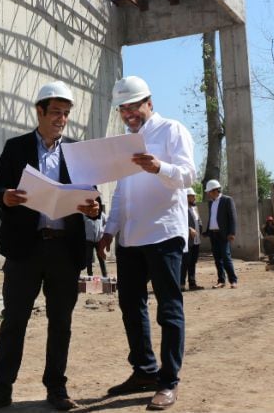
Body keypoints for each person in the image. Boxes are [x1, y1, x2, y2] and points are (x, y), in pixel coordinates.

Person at [0, 81, 100, 413]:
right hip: (25, 250)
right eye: (56, 112)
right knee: (14, 320)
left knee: (61, 322)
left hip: (64, 250)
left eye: (66, 114)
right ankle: (1, 389)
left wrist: (93, 208)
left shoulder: (76, 151)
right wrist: (6, 196)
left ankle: (56, 388)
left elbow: (92, 194)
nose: (62, 119)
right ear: (40, 111)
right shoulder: (16, 148)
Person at [97, 76, 195, 411]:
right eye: (123, 109)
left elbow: (188, 175)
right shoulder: (126, 142)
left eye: (133, 107)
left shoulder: (171, 131)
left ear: (148, 103)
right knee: (131, 306)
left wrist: (159, 167)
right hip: (132, 237)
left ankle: (168, 382)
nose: (129, 114)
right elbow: (122, 192)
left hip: (164, 233)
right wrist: (110, 230)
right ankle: (144, 370)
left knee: (168, 308)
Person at [203, 179, 238, 289]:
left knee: (226, 258)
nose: (208, 194)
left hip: (223, 234)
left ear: (215, 190)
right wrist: (207, 231)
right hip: (213, 235)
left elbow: (233, 218)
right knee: (217, 259)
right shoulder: (211, 203)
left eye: (209, 191)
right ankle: (221, 281)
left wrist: (232, 232)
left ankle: (233, 280)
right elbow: (212, 219)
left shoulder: (227, 200)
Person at [181, 188, 203, 291]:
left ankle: (192, 284)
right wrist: (189, 229)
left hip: (196, 240)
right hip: (187, 241)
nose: (194, 197)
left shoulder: (195, 208)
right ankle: (181, 284)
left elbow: (198, 221)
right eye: (192, 196)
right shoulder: (181, 209)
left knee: (193, 262)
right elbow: (180, 223)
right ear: (186, 197)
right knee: (185, 262)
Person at [83, 205, 108, 277]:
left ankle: (105, 275)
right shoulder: (84, 214)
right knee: (89, 258)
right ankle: (90, 275)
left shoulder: (100, 214)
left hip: (99, 240)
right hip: (88, 240)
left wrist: (103, 229)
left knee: (101, 257)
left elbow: (107, 221)